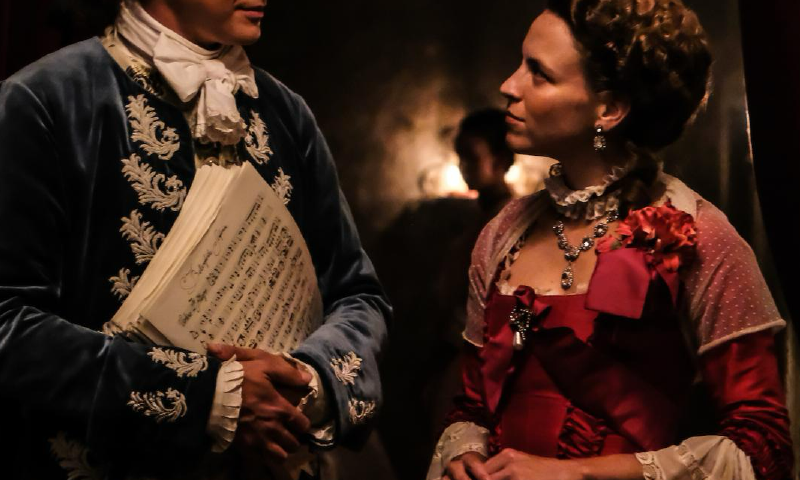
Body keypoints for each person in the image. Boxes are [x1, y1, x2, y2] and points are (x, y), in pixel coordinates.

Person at [0, 0, 390, 479]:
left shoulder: (286, 112)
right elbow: (8, 320)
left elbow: (356, 293)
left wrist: (307, 379)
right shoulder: (47, 99)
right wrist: (210, 395)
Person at [427, 1, 794, 480]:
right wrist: (464, 451)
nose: (508, 86)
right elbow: (474, 404)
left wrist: (577, 474)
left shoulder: (698, 234)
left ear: (609, 109)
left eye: (538, 73)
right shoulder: (504, 233)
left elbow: (763, 448)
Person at [455, 108, 515, 220]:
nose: (462, 166)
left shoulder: (511, 218)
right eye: (461, 157)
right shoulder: (472, 213)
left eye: (472, 158)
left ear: (500, 161)